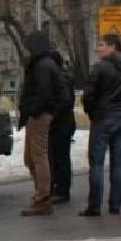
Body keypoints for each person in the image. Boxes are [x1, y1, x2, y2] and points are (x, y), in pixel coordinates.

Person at [81, 34, 121, 217]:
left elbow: (88, 95)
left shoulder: (99, 68)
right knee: (118, 163)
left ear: (112, 47)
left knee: (97, 163)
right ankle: (115, 204)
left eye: (101, 45)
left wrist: (93, 112)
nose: (98, 49)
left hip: (102, 118)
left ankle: (94, 206)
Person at [18, 31, 63, 216]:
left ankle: (43, 197)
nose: (27, 50)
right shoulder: (45, 63)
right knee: (31, 158)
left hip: (40, 115)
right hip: (37, 114)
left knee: (38, 157)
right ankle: (41, 194)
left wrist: (33, 110)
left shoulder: (42, 65)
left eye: (29, 46)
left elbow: (44, 93)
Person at [49, 51, 77, 204]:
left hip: (61, 123)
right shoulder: (63, 75)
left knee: (60, 157)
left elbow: (65, 101)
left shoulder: (60, 78)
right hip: (64, 122)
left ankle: (62, 189)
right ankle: (60, 187)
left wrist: (52, 116)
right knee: (60, 156)